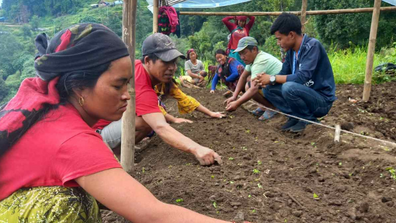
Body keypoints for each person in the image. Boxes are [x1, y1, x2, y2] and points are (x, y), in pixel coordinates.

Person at [0, 23, 235, 222]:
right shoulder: (70, 138)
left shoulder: (53, 111)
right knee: (68, 204)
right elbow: (152, 214)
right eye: (117, 85)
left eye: (127, 84)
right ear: (79, 86)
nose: (127, 95)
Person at [95, 33, 223, 166]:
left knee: (146, 119)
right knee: (147, 121)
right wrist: (197, 148)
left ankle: (119, 151)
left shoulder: (139, 69)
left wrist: (211, 113)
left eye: (174, 62)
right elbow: (160, 126)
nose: (172, 68)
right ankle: (113, 154)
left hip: (106, 126)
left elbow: (184, 98)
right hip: (97, 135)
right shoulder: (141, 83)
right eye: (166, 62)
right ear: (148, 61)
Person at [254, 13, 336, 132]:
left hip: (321, 101)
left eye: (279, 39)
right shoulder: (291, 52)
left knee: (288, 87)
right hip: (302, 93)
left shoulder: (312, 46)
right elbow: (282, 74)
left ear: (291, 35)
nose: (278, 43)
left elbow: (301, 78)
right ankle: (295, 116)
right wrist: (265, 80)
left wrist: (271, 78)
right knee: (269, 89)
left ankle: (308, 119)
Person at [224, 36, 283, 121]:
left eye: (244, 53)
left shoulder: (260, 61)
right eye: (240, 54)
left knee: (251, 87)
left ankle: (272, 108)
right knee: (248, 85)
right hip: (274, 86)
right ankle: (264, 107)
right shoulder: (253, 60)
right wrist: (234, 96)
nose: (242, 57)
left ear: (254, 49)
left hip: (281, 89)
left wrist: (237, 103)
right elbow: (243, 76)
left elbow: (254, 89)